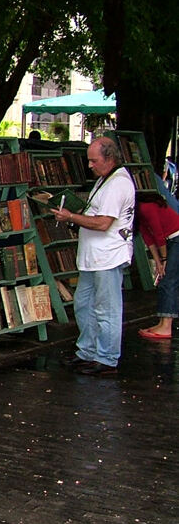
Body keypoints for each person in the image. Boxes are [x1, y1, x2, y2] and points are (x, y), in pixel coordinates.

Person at [52, 136, 136, 374]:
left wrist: (71, 217)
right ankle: (88, 351)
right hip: (92, 256)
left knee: (106, 308)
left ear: (109, 158)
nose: (90, 165)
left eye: (94, 160)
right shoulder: (104, 180)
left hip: (108, 256)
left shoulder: (117, 183)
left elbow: (102, 223)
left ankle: (107, 357)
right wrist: (75, 213)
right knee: (84, 304)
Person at [134, 193, 179, 340]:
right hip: (171, 241)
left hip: (175, 238)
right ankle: (163, 322)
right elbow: (148, 238)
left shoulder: (147, 208)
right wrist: (158, 262)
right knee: (165, 279)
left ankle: (166, 326)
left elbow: (158, 235)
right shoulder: (139, 213)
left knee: (168, 281)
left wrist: (164, 259)